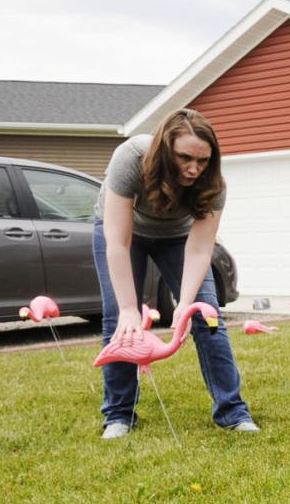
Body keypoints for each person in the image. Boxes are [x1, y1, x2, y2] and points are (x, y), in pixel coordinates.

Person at [94, 108, 257, 438]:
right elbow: (118, 243)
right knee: (119, 321)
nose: (194, 168)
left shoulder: (214, 185)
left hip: (178, 237)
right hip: (124, 235)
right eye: (185, 158)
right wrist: (129, 309)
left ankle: (232, 411)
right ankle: (119, 415)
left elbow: (199, 249)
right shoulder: (131, 158)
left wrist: (184, 303)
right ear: (164, 149)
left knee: (208, 317)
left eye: (203, 160)